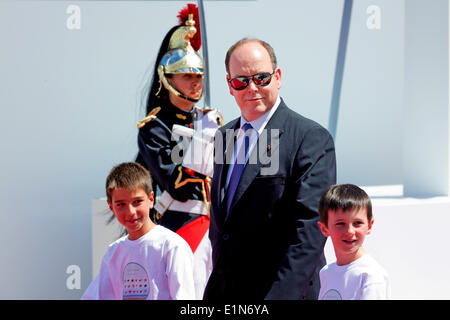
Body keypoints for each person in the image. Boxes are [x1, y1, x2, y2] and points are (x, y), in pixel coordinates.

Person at [203, 38, 337, 300]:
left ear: (278, 77)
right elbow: (221, 226)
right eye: (241, 81)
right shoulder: (223, 136)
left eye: (261, 78)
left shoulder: (309, 138)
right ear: (230, 86)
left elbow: (308, 233)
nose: (251, 87)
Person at [136, 4, 221, 299]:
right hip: (179, 225)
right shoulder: (153, 127)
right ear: (167, 79)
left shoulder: (213, 119)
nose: (196, 82)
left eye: (199, 76)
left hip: (218, 226)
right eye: (187, 76)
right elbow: (178, 185)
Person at [82, 162, 195, 300]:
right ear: (111, 207)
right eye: (121, 204)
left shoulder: (171, 246)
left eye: (137, 202)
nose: (130, 212)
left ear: (151, 199)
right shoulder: (114, 252)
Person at [317, 184, 390, 300]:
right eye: (340, 224)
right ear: (324, 229)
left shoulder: (371, 276)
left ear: (369, 226)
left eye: (357, 223)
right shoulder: (326, 273)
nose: (350, 231)